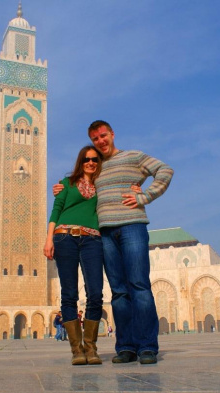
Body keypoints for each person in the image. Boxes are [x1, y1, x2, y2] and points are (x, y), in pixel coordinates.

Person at [54, 120, 173, 365]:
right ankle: (126, 347)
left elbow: (165, 170)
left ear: (112, 134)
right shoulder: (95, 167)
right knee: (118, 291)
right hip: (105, 233)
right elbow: (79, 187)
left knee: (138, 285)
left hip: (132, 226)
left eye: (103, 135)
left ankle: (147, 346)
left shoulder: (133, 157)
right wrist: (61, 188)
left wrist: (145, 195)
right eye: (95, 138)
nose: (100, 141)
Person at [44, 145, 104, 365]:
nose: (91, 162)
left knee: (95, 293)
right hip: (64, 237)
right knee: (69, 294)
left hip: (92, 240)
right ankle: (77, 350)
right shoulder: (66, 183)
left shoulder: (102, 186)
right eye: (87, 159)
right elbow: (56, 211)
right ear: (81, 161)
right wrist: (48, 238)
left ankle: (91, 347)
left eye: (95, 160)